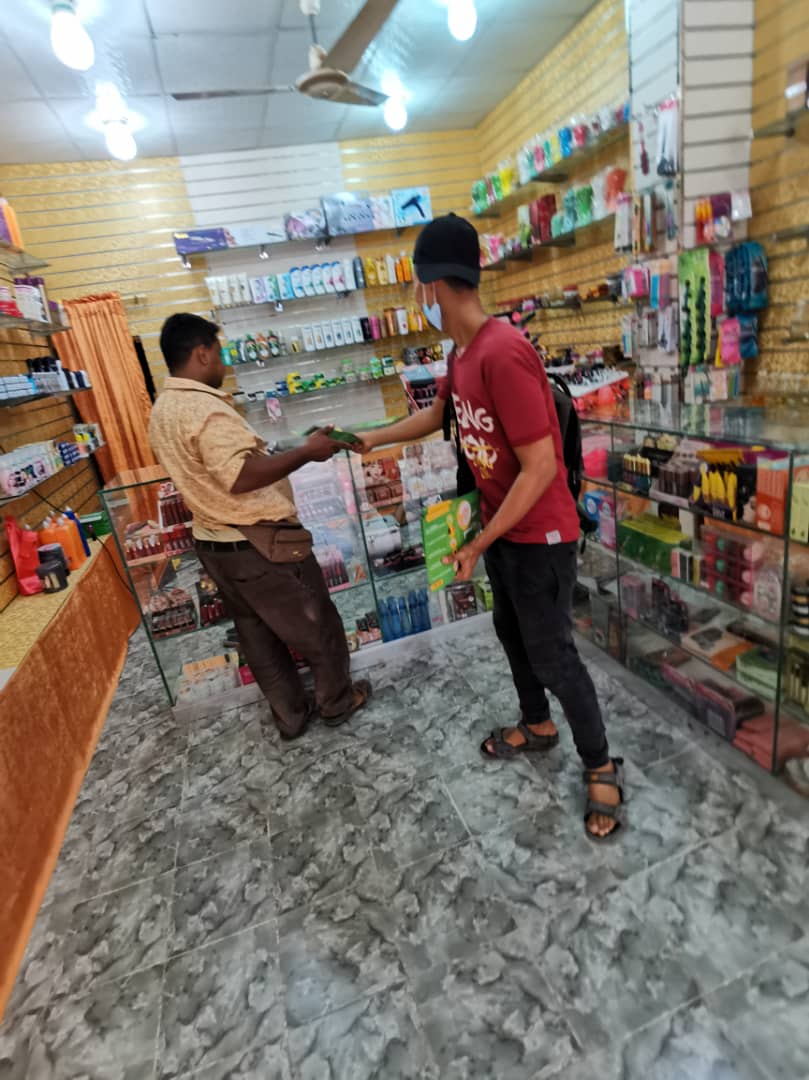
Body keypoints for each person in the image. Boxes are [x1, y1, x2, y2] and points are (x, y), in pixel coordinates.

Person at [357, 214, 623, 838]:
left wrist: (478, 539)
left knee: (553, 655)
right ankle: (538, 724)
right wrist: (369, 439)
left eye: (416, 285)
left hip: (540, 536)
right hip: (504, 529)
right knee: (511, 631)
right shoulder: (463, 354)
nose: (416, 297)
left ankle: (601, 763)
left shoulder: (503, 352)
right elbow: (438, 417)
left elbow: (541, 467)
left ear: (432, 282)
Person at [148, 313, 370, 740]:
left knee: (257, 635)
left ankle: (291, 716)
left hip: (214, 544)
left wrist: (294, 445)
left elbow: (220, 465)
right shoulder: (203, 409)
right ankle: (336, 702)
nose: (223, 363)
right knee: (318, 624)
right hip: (258, 543)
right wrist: (306, 453)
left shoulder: (163, 410)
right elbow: (239, 475)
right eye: (219, 353)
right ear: (201, 353)